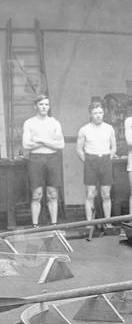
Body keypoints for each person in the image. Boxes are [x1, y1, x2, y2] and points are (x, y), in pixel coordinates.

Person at [76, 98, 117, 238]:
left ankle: (108, 222)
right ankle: (89, 223)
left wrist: (107, 159)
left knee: (106, 193)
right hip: (91, 161)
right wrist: (87, 162)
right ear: (90, 114)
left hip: (105, 160)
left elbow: (114, 147)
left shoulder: (109, 128)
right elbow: (79, 150)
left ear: (103, 113)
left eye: (100, 112)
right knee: (90, 193)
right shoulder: (84, 129)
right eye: (95, 113)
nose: (98, 115)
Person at [21, 94, 65, 227]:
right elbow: (26, 145)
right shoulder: (29, 123)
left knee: (52, 194)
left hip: (52, 159)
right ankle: (35, 225)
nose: (44, 107)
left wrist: (41, 140)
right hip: (36, 159)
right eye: (41, 104)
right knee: (37, 194)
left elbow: (60, 145)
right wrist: (49, 142)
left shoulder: (54, 122)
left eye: (46, 104)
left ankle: (54, 225)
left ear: (49, 106)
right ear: (36, 106)